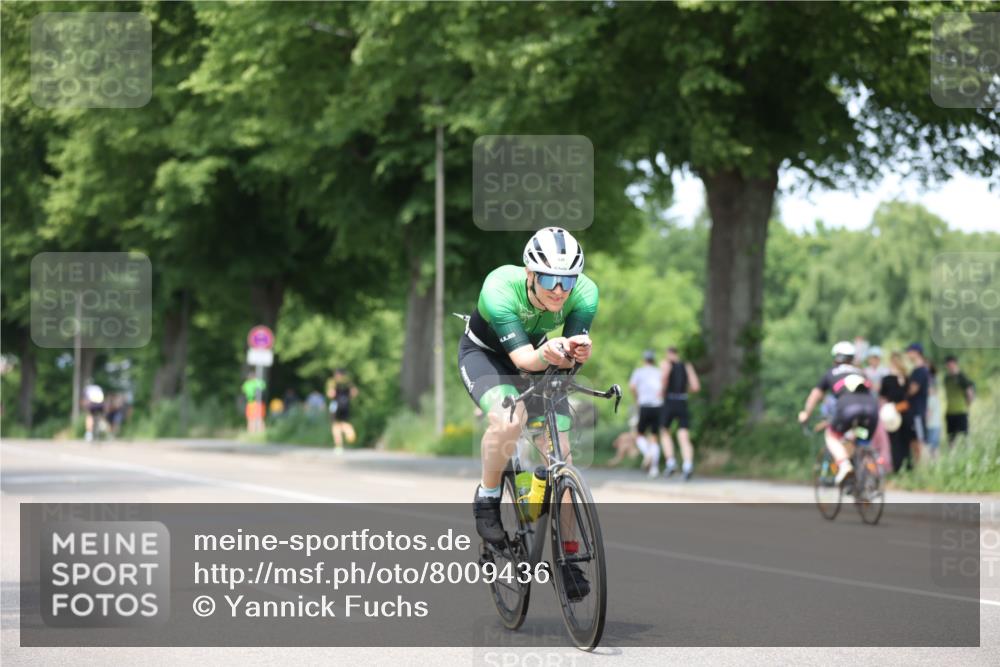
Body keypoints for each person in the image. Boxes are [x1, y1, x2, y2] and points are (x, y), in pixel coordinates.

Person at [458, 227, 595, 601]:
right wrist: (551, 352)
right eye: (549, 278)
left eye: (567, 280)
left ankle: (568, 561)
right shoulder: (500, 288)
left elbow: (566, 356)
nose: (559, 289)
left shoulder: (585, 295)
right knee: (508, 419)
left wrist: (576, 353)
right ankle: (487, 497)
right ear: (530, 273)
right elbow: (522, 361)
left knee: (561, 456)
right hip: (487, 357)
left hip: (539, 358)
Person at [798, 341, 880, 485]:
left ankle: (844, 465)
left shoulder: (831, 373)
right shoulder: (861, 373)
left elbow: (815, 395)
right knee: (861, 442)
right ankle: (867, 481)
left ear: (836, 358)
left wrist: (806, 413)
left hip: (848, 408)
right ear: (852, 359)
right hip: (871, 410)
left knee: (832, 435)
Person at [659, 346, 700, 480]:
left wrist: (662, 391)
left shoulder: (666, 364)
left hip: (670, 400)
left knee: (665, 432)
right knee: (683, 435)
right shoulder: (686, 366)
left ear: (668, 354)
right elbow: (695, 387)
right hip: (682, 401)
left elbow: (664, 381)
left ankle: (671, 463)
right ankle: (687, 465)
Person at [629, 350, 664, 478]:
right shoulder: (658, 372)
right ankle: (654, 469)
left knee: (639, 435)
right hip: (657, 406)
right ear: (653, 360)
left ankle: (647, 452)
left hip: (644, 406)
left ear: (644, 360)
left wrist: (637, 397)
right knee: (654, 437)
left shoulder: (639, 372)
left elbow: (632, 386)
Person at [880, 352, 913, 472]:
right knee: (895, 442)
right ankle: (898, 467)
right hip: (891, 414)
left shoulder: (906, 378)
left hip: (903, 412)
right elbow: (883, 397)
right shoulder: (887, 379)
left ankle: (907, 467)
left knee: (904, 441)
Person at [905, 343, 930, 466]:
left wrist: (902, 393)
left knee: (920, 441)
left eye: (909, 352)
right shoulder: (917, 369)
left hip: (918, 411)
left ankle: (924, 468)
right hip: (914, 411)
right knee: (914, 441)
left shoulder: (920, 370)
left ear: (916, 352)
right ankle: (918, 467)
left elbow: (913, 389)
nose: (908, 355)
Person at [943, 355, 976, 446]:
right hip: (950, 411)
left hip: (961, 411)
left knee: (965, 436)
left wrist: (967, 405)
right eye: (948, 365)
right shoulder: (947, 378)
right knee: (951, 438)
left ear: (956, 364)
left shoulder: (962, 377)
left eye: (952, 364)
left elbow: (970, 392)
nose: (950, 367)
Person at [327, 369, 358, 454]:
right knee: (343, 423)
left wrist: (332, 388)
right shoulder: (348, 383)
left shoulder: (333, 383)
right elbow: (354, 393)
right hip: (346, 405)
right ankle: (349, 431)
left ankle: (338, 446)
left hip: (336, 405)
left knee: (335, 426)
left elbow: (331, 394)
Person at [925, 365, 943, 457]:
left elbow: (929, 413)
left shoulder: (931, 398)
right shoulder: (935, 398)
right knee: (935, 447)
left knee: (932, 447)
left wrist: (924, 422)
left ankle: (934, 465)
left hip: (931, 425)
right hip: (937, 425)